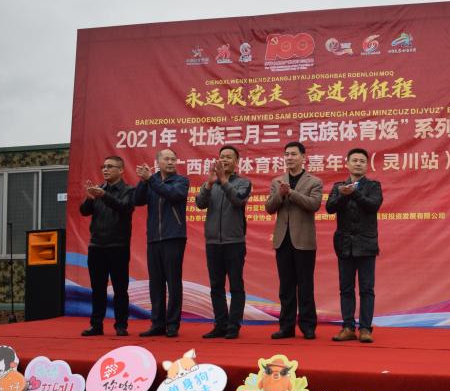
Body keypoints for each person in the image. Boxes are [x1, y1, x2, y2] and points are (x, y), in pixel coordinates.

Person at [265, 141, 322, 339]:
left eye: (293, 154)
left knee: (305, 286)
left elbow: (313, 204)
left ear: (303, 157)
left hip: (304, 240)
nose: (289, 158)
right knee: (286, 286)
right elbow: (269, 208)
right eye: (286, 154)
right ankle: (286, 327)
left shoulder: (314, 181)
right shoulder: (277, 181)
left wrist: (291, 193)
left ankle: (308, 326)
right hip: (283, 239)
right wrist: (280, 195)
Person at [326, 148, 383, 343]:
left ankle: (365, 329)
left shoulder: (374, 186)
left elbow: (373, 206)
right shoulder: (338, 186)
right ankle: (348, 327)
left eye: (362, 161)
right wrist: (344, 195)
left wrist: (355, 193)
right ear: (347, 164)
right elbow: (329, 208)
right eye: (354, 160)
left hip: (366, 244)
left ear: (366, 166)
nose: (358, 163)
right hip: (344, 245)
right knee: (346, 288)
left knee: (367, 289)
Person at [196, 145, 252, 339]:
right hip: (213, 242)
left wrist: (224, 181)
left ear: (237, 162)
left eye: (229, 157)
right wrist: (209, 184)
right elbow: (200, 203)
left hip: (234, 242)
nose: (225, 160)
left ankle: (233, 326)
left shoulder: (244, 183)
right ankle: (220, 324)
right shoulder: (211, 183)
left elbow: (238, 200)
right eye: (222, 157)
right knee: (216, 286)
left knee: (236, 285)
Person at [133, 148, 189, 338]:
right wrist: (143, 181)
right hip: (153, 239)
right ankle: (157, 323)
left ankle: (172, 324)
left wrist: (151, 180)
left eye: (173, 159)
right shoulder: (151, 181)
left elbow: (173, 195)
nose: (171, 162)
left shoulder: (181, 181)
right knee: (155, 283)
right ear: (158, 161)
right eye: (166, 159)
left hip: (174, 237)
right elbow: (137, 200)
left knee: (173, 282)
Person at [79, 156, 134, 337]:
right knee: (97, 289)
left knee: (120, 289)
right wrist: (89, 198)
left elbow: (124, 207)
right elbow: (84, 211)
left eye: (110, 166)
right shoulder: (98, 190)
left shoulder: (128, 190)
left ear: (121, 170)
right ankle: (96, 325)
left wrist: (104, 195)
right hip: (97, 246)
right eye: (104, 166)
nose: (105, 169)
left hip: (118, 246)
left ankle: (121, 325)